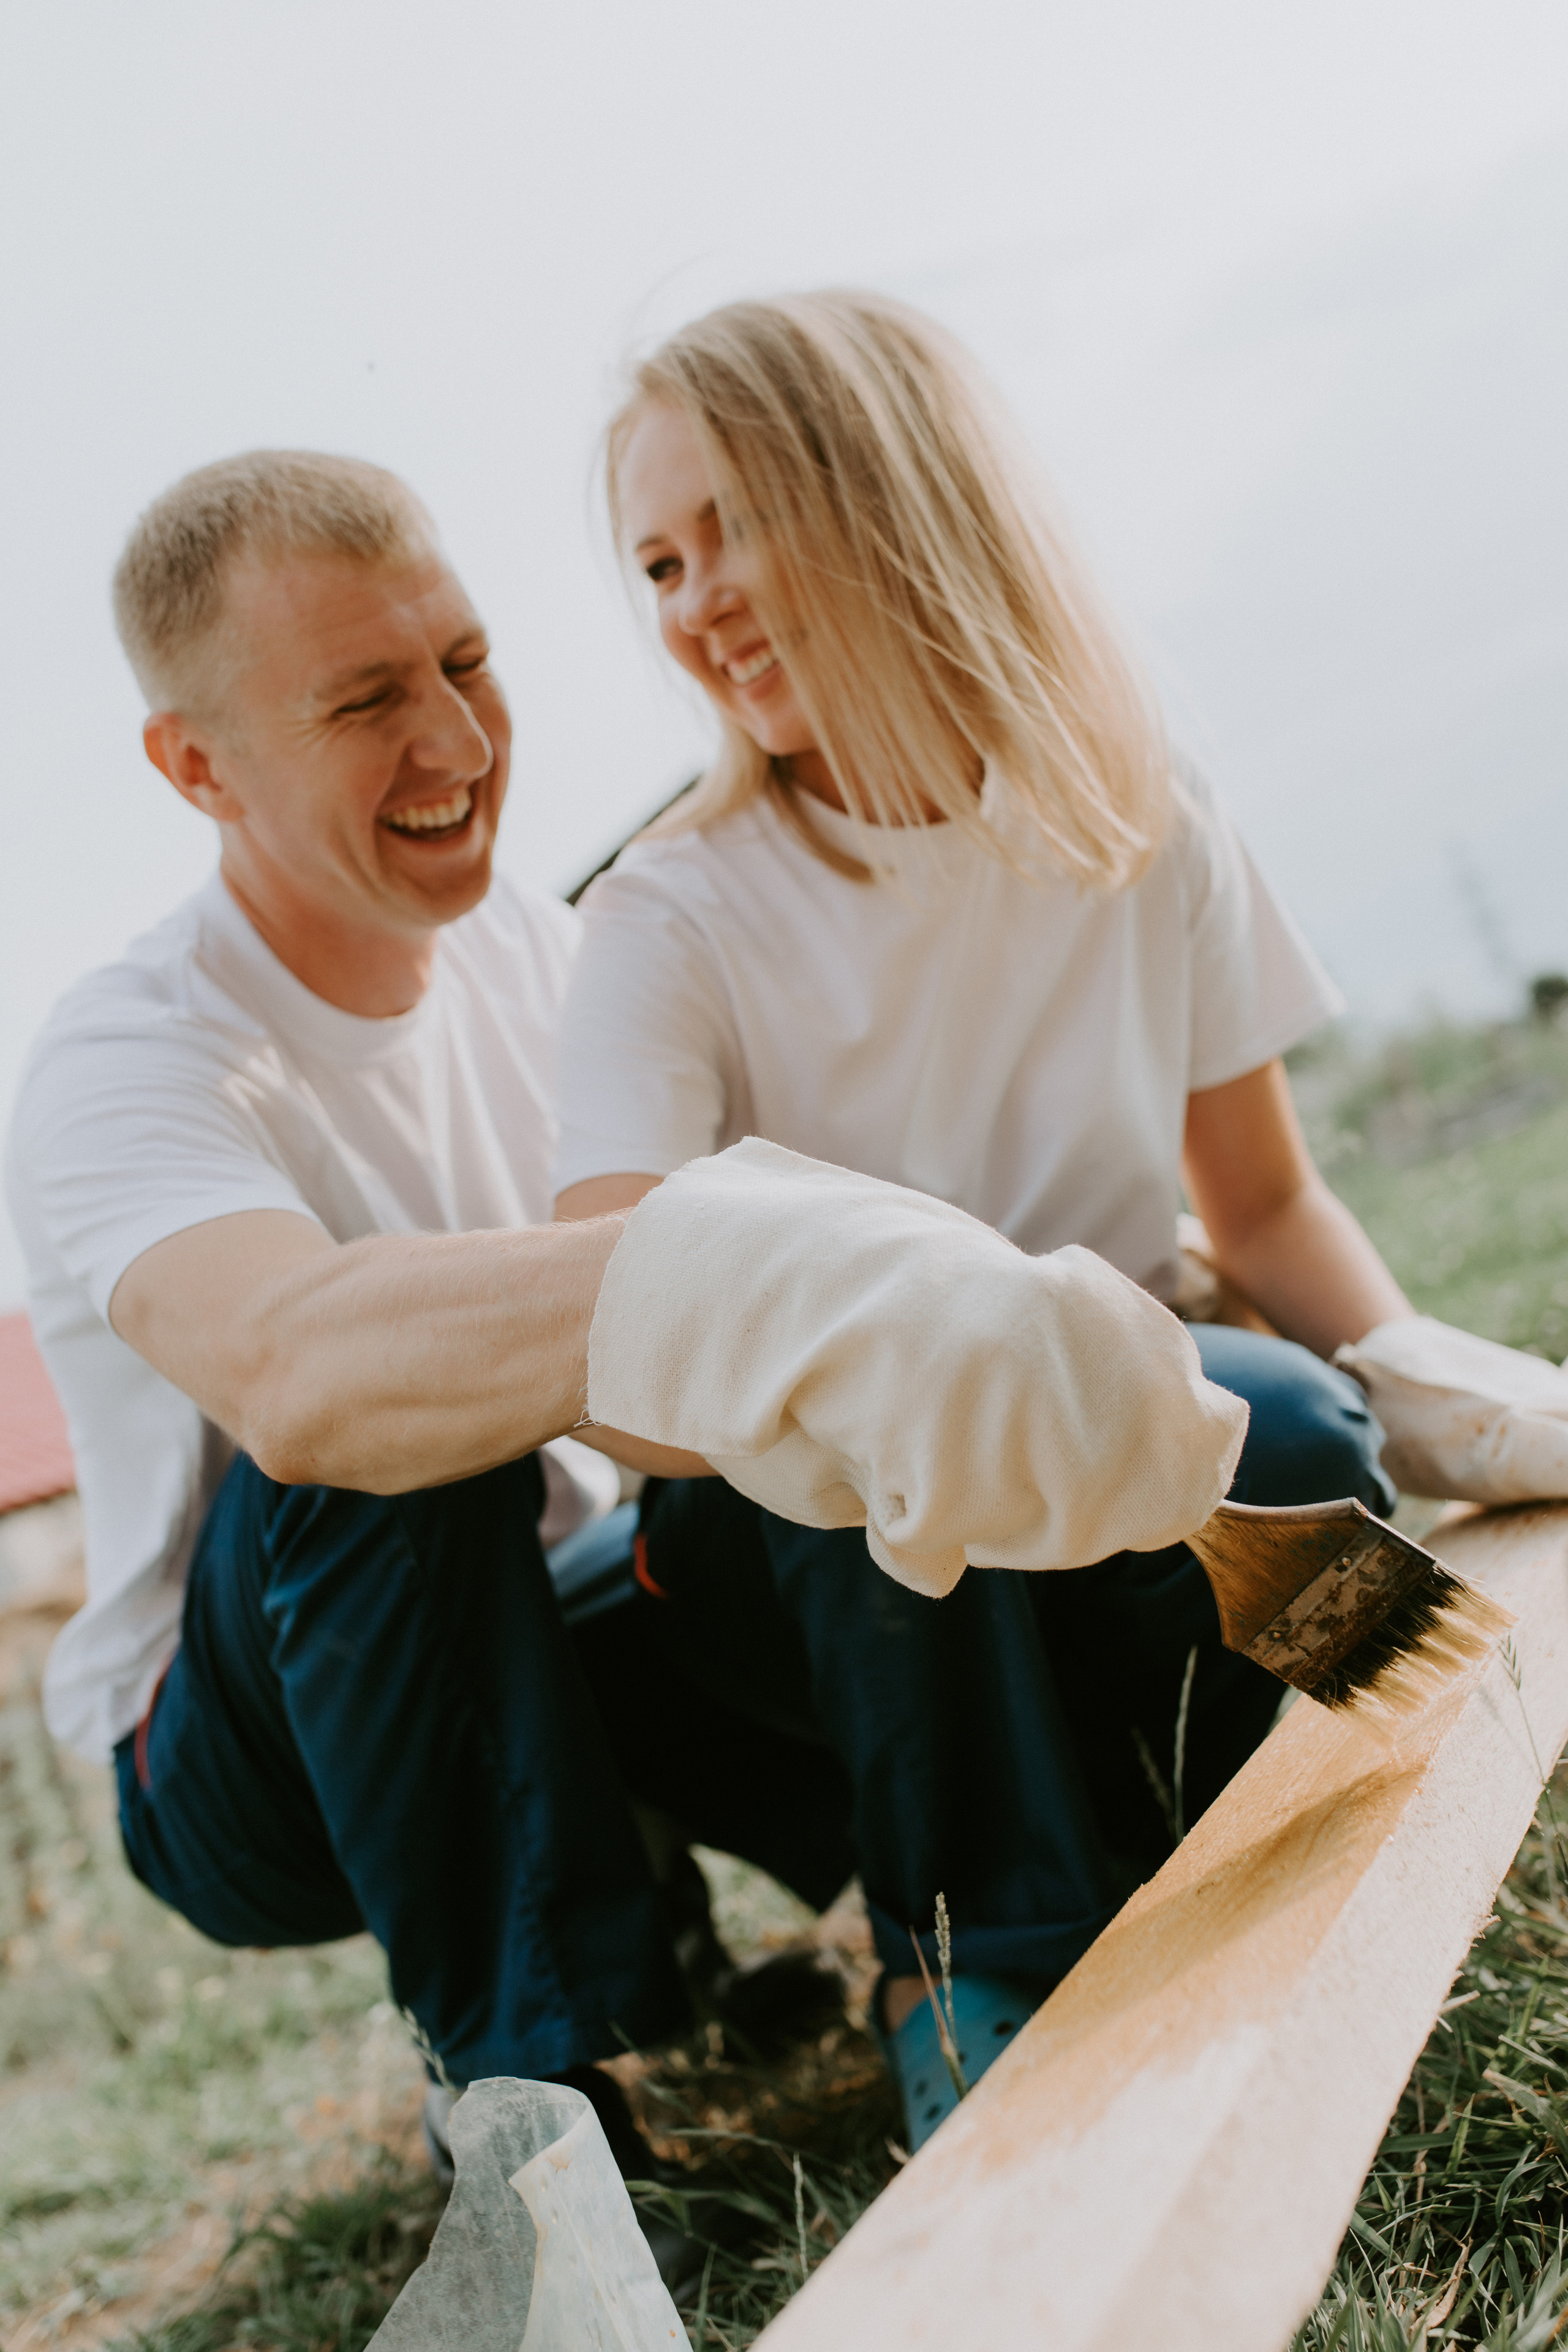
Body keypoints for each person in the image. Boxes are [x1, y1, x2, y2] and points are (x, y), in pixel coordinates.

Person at [4, 450, 1245, 2248]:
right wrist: (753, 1274)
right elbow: (292, 1369)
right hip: (246, 1753)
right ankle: (538, 2121)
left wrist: (988, 1288)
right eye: (366, 700)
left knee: (815, 1347)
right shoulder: (129, 1060)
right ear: (196, 765)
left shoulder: (556, 956)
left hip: (566, 1623)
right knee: (388, 1417)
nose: (455, 739)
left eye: (467, 659)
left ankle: (965, 1955)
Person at [553, 291, 1414, 2148]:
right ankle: (978, 1965)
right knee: (888, 1438)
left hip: (1123, 1464)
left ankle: (1251, 1808)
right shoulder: (666, 917)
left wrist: (1433, 1394)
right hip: (797, 1551)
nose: (690, 600)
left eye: (732, 526)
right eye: (656, 562)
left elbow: (1257, 1200)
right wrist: (902, 1329)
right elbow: (620, 1346)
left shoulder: (1138, 806)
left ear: (889, 490)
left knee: (1313, 1429)